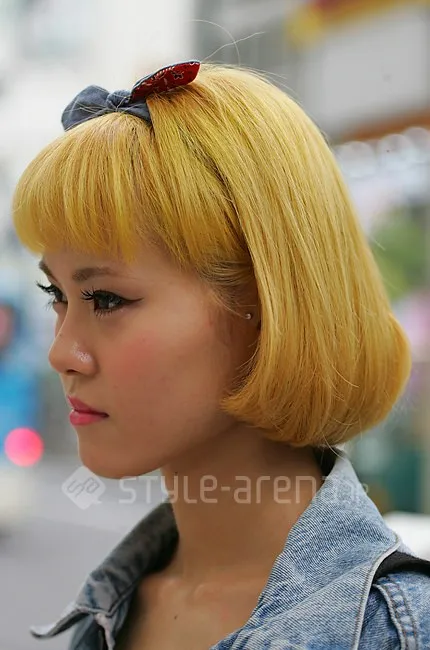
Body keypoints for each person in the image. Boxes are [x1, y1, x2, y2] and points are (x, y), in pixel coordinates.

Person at [12, 61, 430, 649]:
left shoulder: (397, 631)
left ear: (265, 303)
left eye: (106, 299)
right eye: (55, 294)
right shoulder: (113, 609)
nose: (62, 352)